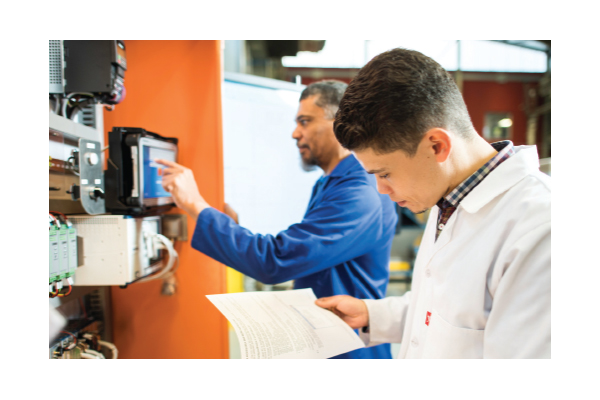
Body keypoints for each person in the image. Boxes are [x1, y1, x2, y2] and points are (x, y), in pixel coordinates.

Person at [316, 48, 551, 358]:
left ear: (437, 146)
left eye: (385, 173)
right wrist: (371, 314)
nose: (381, 189)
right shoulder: (448, 195)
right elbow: (444, 310)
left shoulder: (540, 229)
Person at [156, 80, 398, 359]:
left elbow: (276, 259)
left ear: (341, 124)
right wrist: (231, 228)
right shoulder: (333, 183)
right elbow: (301, 253)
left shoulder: (357, 194)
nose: (295, 133)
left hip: (350, 354)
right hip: (330, 343)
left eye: (305, 121)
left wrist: (195, 205)